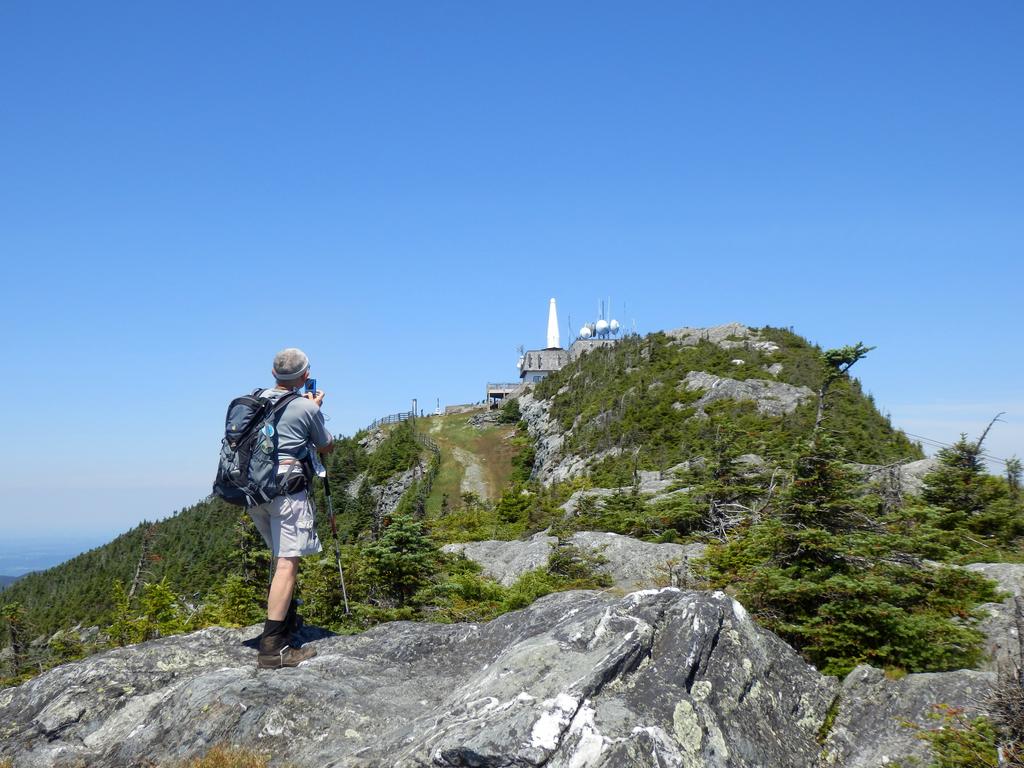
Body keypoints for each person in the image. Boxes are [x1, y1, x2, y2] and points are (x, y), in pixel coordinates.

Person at [249, 347, 335, 669]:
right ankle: (273, 649)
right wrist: (315, 409)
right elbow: (325, 445)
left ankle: (284, 622)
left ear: (274, 374)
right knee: (287, 563)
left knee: (280, 559)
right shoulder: (305, 407)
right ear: (305, 376)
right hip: (287, 491)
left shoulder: (255, 401)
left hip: (254, 492)